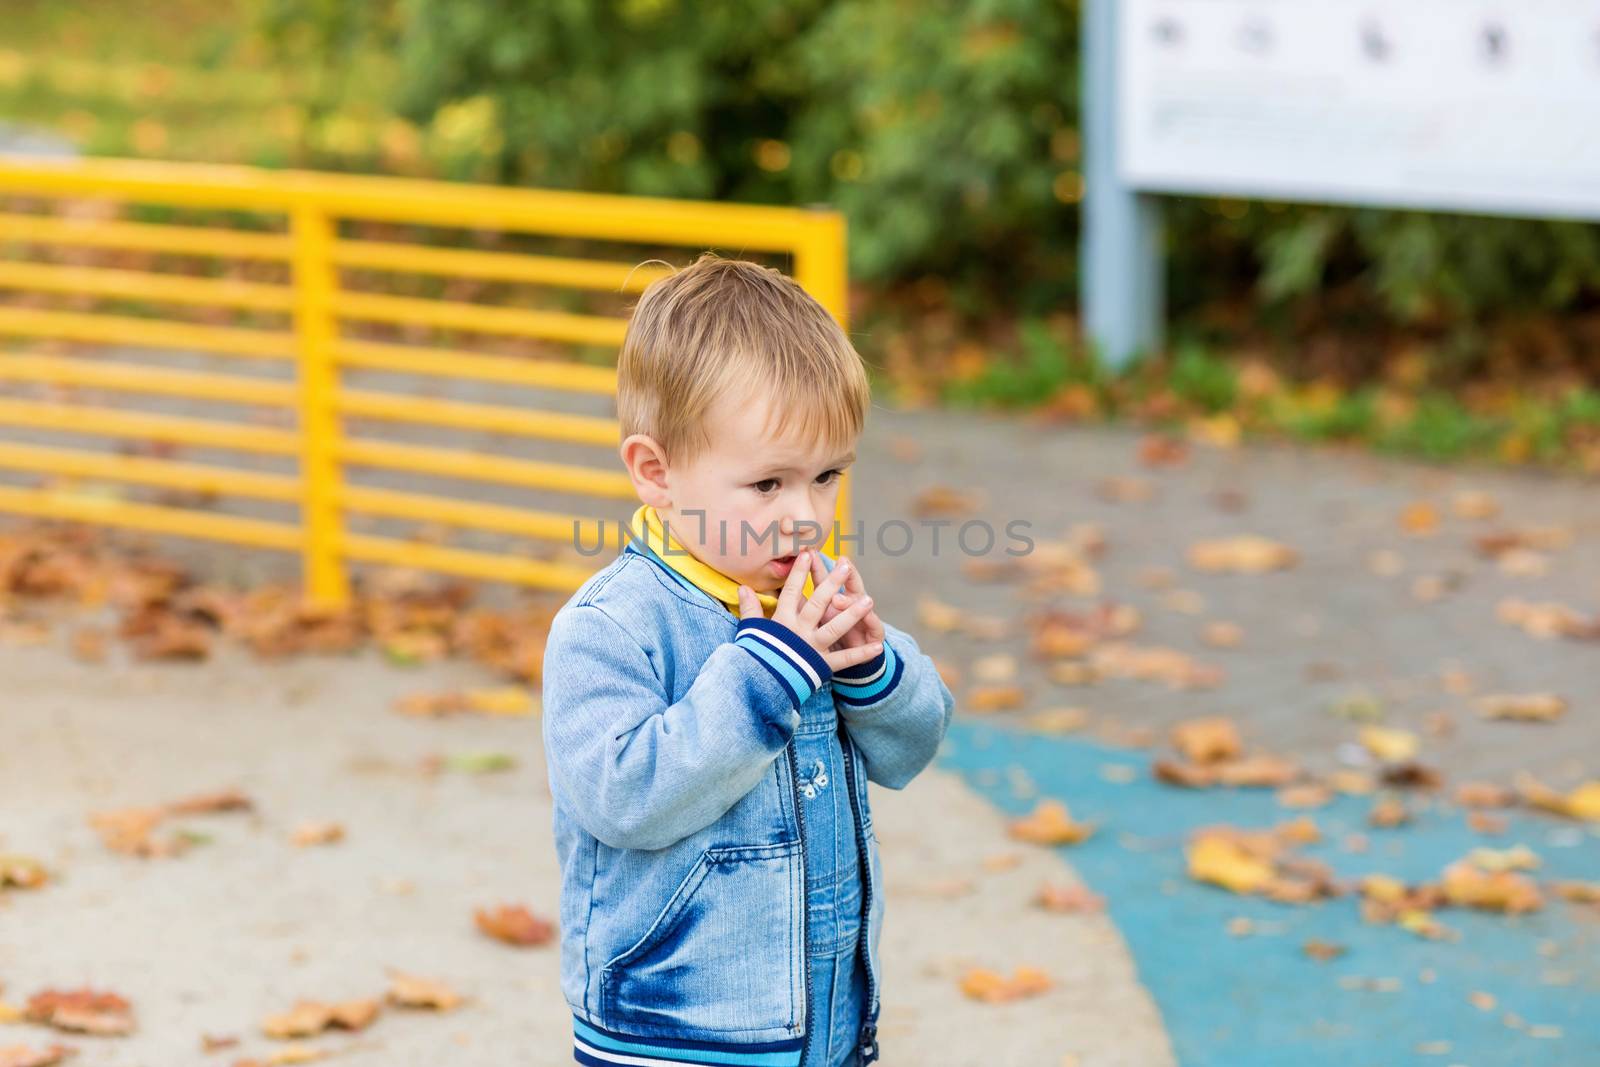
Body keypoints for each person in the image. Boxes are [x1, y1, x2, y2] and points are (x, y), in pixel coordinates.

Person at [541, 253, 956, 1066]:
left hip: (824, 1016)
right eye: (767, 484)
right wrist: (767, 672)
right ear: (656, 472)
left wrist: (872, 671)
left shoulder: (805, 599)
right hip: (673, 1028)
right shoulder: (612, 626)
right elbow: (624, 797)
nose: (805, 516)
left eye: (827, 476)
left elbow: (911, 749)